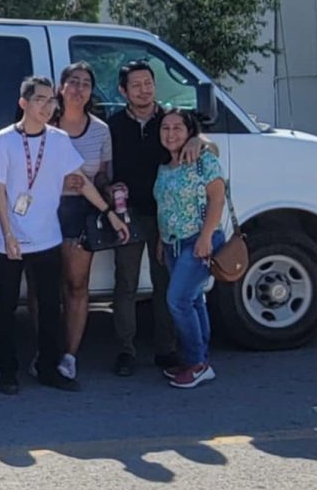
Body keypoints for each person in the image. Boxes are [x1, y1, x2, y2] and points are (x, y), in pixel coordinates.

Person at [0, 76, 128, 396]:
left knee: (50, 305)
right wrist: (7, 233)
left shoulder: (59, 139)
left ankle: (49, 368)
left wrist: (109, 213)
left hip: (47, 236)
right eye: (40, 100)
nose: (47, 107)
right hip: (10, 238)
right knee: (7, 307)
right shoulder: (4, 140)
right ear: (23, 103)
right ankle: (8, 371)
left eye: (51, 100)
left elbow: (81, 180)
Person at [108, 61, 212, 377]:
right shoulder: (111, 125)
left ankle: (166, 349)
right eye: (135, 85)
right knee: (125, 283)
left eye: (148, 83)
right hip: (127, 214)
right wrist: (109, 188)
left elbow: (209, 147)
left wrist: (198, 140)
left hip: (167, 217)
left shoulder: (169, 120)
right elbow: (101, 167)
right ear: (123, 91)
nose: (144, 89)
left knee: (164, 283)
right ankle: (125, 351)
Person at [154, 109, 226, 389]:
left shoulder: (203, 159)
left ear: (189, 131)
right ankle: (196, 358)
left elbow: (217, 200)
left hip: (198, 240)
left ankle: (197, 363)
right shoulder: (164, 166)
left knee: (178, 300)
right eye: (165, 128)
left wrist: (206, 237)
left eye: (177, 128)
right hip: (172, 243)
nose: (171, 134)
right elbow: (165, 207)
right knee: (194, 300)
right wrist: (162, 239)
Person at [52, 62, 113, 386]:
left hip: (82, 210)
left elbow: (103, 173)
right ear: (61, 87)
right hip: (45, 210)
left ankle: (69, 356)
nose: (78, 88)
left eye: (86, 83)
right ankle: (44, 349)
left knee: (76, 285)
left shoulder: (101, 130)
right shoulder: (45, 123)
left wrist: (104, 184)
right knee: (42, 287)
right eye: (72, 81)